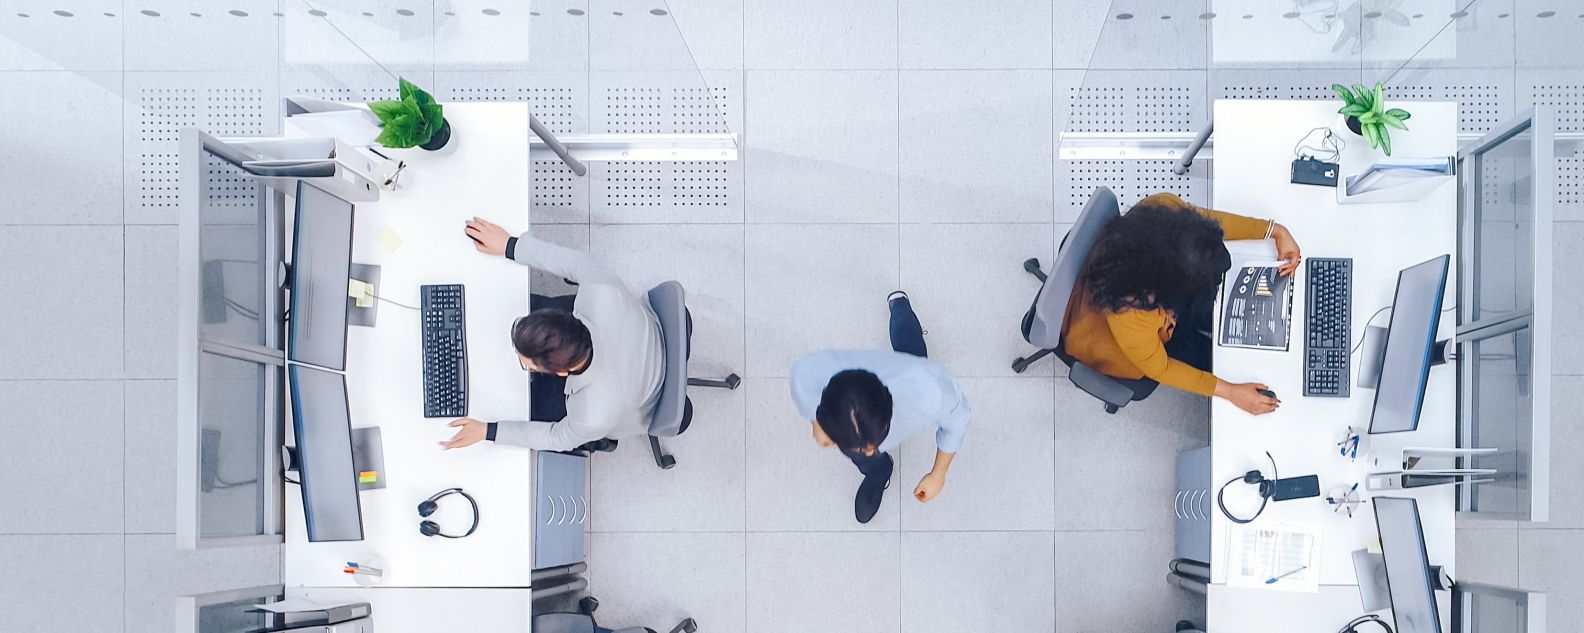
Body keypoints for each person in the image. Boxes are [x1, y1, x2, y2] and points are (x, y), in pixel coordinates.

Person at [1062, 192, 1302, 415]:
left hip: (1152, 304)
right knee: (1213, 359)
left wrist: (1275, 231)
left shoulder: (1164, 209)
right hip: (1121, 344)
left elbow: (1208, 225)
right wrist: (1231, 392)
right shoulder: (1129, 312)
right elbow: (1161, 369)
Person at [440, 217, 664, 452]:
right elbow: (576, 262)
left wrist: (489, 431)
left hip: (640, 397)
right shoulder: (600, 292)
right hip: (639, 334)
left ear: (561, 373)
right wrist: (509, 245)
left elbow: (555, 438)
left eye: (526, 364)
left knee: (534, 407)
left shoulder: (592, 414)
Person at [789, 292, 970, 524]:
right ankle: (878, 472)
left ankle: (899, 308)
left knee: (911, 350)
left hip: (911, 373)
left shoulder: (929, 390)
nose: (867, 450)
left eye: (871, 444)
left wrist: (938, 474)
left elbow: (957, 422)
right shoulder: (807, 376)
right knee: (863, 455)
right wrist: (819, 424)